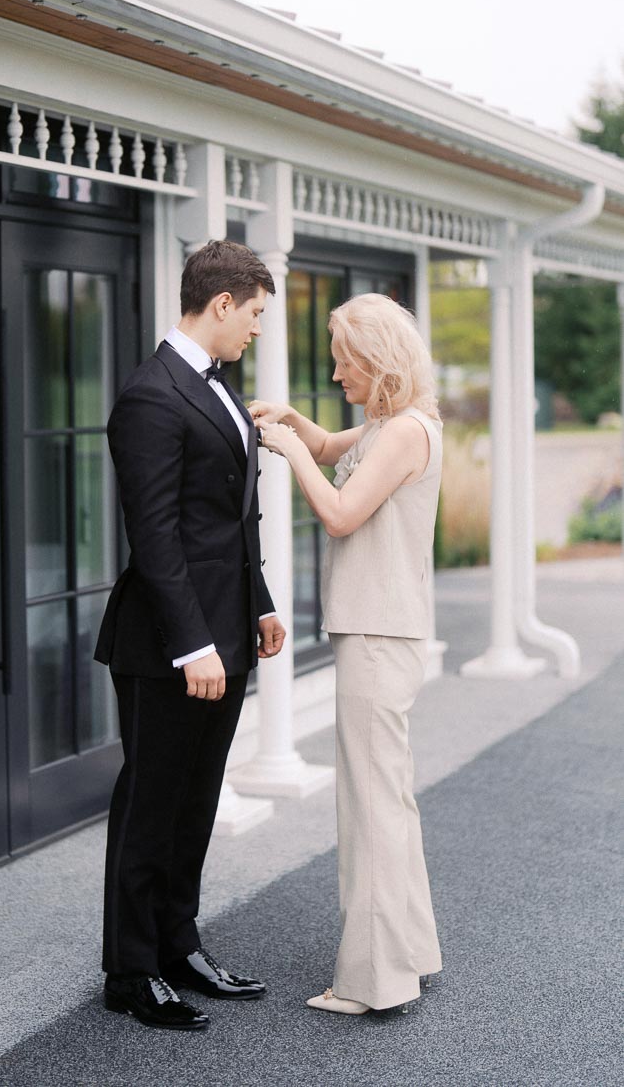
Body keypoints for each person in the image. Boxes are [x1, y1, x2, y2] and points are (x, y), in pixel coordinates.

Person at [95, 239, 287, 1032]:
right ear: (221, 304)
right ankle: (132, 971)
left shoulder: (219, 390)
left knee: (197, 802)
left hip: (230, 634)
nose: (256, 332)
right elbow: (157, 536)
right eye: (255, 316)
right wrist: (193, 644)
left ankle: (180, 946)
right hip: (168, 646)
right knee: (151, 804)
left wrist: (263, 603)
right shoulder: (149, 396)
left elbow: (231, 518)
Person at [250, 291, 443, 1016]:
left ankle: (371, 983)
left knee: (370, 808)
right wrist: (299, 426)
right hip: (381, 632)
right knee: (388, 800)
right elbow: (339, 449)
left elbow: (339, 513)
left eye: (343, 364)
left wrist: (289, 450)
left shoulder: (401, 433)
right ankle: (410, 954)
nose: (336, 377)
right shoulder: (390, 424)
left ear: (376, 361)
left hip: (376, 636)